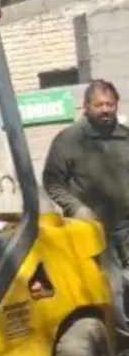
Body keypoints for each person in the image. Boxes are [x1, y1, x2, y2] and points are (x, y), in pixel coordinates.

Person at [42, 79, 129, 335]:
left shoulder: (124, 138)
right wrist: (76, 208)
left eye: (109, 104)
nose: (105, 110)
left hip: (127, 225)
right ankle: (123, 344)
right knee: (111, 289)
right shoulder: (69, 140)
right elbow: (53, 182)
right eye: (99, 105)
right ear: (86, 107)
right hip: (93, 231)